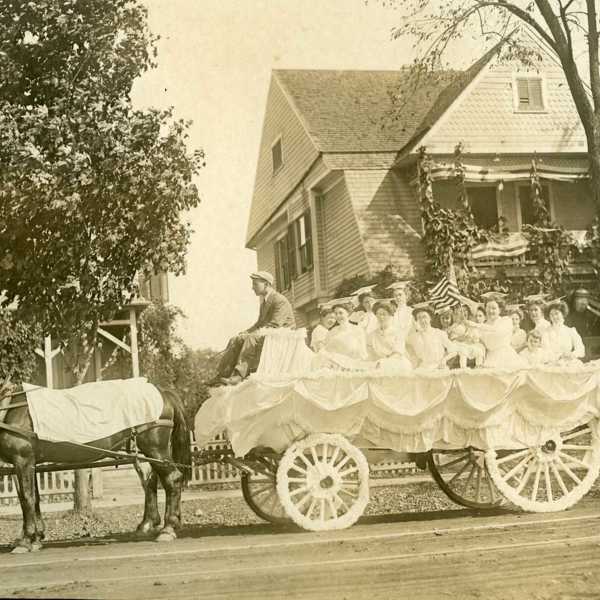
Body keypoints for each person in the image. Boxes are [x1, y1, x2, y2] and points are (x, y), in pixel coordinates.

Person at [211, 271, 296, 385]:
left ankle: (239, 375)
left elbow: (275, 324)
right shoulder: (265, 302)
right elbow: (259, 324)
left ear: (266, 284)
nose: (252, 287)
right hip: (268, 332)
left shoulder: (279, 300)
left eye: (255, 284)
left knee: (251, 338)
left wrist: (250, 334)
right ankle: (222, 374)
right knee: (235, 339)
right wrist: (245, 332)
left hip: (282, 334)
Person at [467, 300, 526, 369]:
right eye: (488, 308)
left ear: (499, 310)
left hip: (506, 356)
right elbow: (482, 344)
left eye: (494, 308)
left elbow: (498, 331)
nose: (491, 311)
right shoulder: (483, 326)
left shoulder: (506, 321)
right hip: (490, 357)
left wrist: (477, 325)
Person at [312, 302, 368, 370]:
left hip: (353, 364)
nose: (338, 316)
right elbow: (326, 351)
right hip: (336, 366)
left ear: (348, 313)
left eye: (340, 313)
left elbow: (363, 352)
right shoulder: (332, 332)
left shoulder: (357, 330)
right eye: (336, 314)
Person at [367, 302, 412, 371]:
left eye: (384, 314)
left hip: (398, 363)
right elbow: (371, 354)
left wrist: (383, 362)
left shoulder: (398, 333)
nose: (381, 317)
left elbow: (398, 353)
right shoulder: (372, 335)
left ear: (390, 315)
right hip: (378, 363)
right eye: (378, 314)